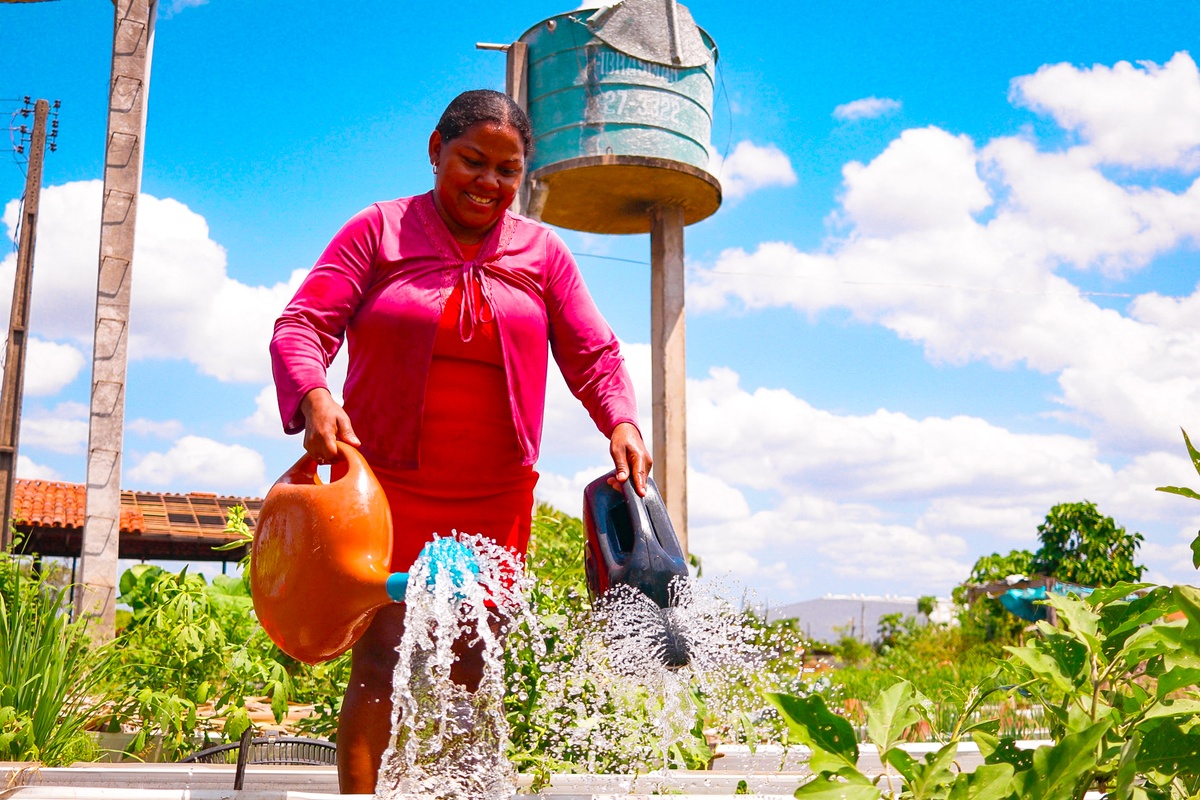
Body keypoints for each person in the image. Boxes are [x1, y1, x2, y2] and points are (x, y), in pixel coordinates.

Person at [269, 89, 651, 793]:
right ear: (435, 149)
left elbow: (594, 354)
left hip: (494, 491)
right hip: (385, 487)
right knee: (383, 653)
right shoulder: (378, 231)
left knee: (475, 664)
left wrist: (621, 418)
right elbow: (303, 325)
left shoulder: (542, 253)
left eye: (508, 171)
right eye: (474, 161)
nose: (490, 183)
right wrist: (314, 391)